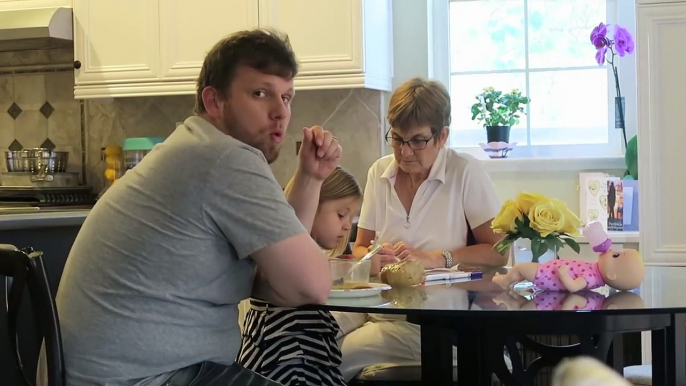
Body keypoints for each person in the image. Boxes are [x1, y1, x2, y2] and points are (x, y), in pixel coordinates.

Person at [47, 29, 343, 386]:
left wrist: (309, 178)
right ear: (215, 101)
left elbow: (277, 283)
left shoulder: (196, 147)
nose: (280, 112)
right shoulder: (224, 158)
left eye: (287, 97)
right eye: (260, 93)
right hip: (147, 379)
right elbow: (312, 286)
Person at [336, 77, 506, 381]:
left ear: (442, 136)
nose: (405, 152)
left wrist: (434, 258)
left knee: (337, 355)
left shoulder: (464, 172)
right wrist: (372, 259)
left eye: (417, 141)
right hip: (375, 301)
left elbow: (498, 252)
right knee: (310, 331)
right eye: (397, 138)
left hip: (430, 323)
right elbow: (360, 246)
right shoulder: (379, 172)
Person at [237, 167, 361, 386]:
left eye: (350, 217)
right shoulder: (285, 260)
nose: (346, 225)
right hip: (286, 355)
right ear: (313, 203)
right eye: (341, 214)